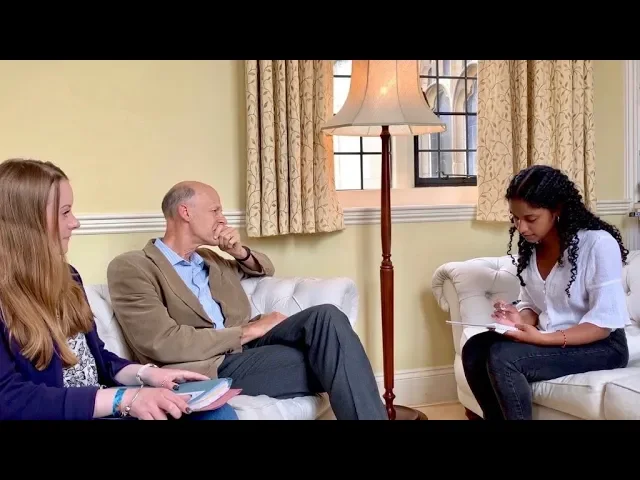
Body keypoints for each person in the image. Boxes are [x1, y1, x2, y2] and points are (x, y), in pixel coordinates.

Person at [106, 180, 387, 420]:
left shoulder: (211, 259)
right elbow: (163, 343)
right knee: (334, 357)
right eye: (215, 210)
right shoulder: (133, 266)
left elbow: (264, 268)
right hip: (210, 363)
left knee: (326, 316)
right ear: (185, 212)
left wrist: (238, 251)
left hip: (250, 347)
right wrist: (249, 330)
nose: (223, 219)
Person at [0, 158, 238, 420]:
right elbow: (8, 398)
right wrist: (121, 399)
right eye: (65, 212)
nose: (75, 222)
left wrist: (148, 374)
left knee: (215, 411)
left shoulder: (68, 277)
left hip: (105, 407)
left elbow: (98, 360)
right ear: (27, 221)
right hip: (71, 413)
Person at [461, 164, 630, 420]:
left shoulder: (597, 244)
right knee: (475, 348)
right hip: (553, 336)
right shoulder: (533, 248)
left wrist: (542, 339)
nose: (521, 228)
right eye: (515, 218)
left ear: (557, 209)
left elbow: (602, 325)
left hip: (602, 346)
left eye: (530, 219)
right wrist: (519, 319)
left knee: (504, 357)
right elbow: (533, 304)